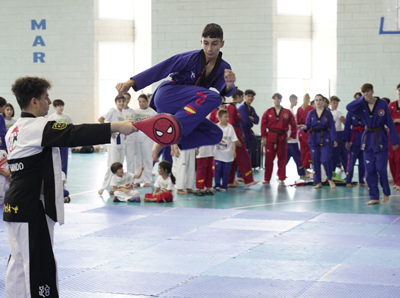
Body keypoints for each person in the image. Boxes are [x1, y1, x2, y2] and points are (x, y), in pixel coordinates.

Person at [4, 76, 136, 298]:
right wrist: (116, 126)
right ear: (34, 101)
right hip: (32, 205)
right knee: (39, 263)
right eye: (46, 98)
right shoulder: (38, 126)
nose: (49, 102)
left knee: (18, 262)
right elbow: (75, 133)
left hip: (14, 204)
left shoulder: (14, 130)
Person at [115, 23, 236, 161]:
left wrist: (230, 84)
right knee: (213, 97)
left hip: (185, 108)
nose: (209, 48)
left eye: (214, 44)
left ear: (222, 44)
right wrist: (131, 82)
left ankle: (172, 137)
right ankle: (170, 129)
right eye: (206, 43)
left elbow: (226, 91)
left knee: (215, 134)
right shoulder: (190, 58)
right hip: (168, 95)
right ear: (201, 42)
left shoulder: (224, 68)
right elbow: (163, 68)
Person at [346, 83, 400, 204]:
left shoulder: (382, 104)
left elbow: (390, 123)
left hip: (380, 137)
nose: (366, 94)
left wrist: (394, 141)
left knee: (381, 168)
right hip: (367, 139)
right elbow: (349, 107)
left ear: (372, 91)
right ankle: (374, 197)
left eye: (368, 92)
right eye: (364, 92)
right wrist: (361, 99)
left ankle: (386, 191)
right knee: (369, 170)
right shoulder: (361, 104)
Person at [299, 94, 338, 189]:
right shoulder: (311, 113)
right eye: (316, 100)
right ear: (314, 102)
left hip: (325, 137)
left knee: (325, 159)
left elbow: (332, 126)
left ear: (324, 101)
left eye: (320, 100)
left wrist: (334, 139)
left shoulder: (328, 113)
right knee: (315, 161)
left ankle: (330, 179)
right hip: (313, 138)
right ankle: (318, 181)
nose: (318, 102)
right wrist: (305, 127)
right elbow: (308, 124)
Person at [261, 93, 297, 184]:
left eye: (278, 99)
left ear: (281, 100)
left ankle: (281, 178)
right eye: (275, 99)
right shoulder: (268, 111)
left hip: (282, 137)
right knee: (268, 159)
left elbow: (293, 124)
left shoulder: (287, 112)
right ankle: (267, 178)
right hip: (270, 137)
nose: (276, 100)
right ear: (273, 100)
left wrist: (292, 136)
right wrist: (263, 138)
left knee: (282, 159)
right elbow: (263, 125)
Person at [226, 89, 257, 187]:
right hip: (235, 136)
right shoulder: (231, 108)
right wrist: (235, 140)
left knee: (233, 159)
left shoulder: (233, 108)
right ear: (238, 97)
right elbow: (230, 124)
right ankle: (249, 180)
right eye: (242, 96)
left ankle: (229, 181)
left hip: (238, 134)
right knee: (245, 157)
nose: (243, 98)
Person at [98, 96, 127, 196]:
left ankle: (113, 187)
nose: (121, 103)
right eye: (119, 101)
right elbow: (100, 119)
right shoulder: (112, 111)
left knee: (119, 166)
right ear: (116, 102)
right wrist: (109, 132)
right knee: (112, 165)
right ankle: (103, 187)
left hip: (121, 142)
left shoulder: (124, 114)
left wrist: (125, 134)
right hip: (113, 143)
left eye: (123, 101)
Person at [133, 94, 157, 187]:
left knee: (147, 158)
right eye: (140, 101)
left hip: (148, 137)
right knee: (137, 159)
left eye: (143, 101)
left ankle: (147, 180)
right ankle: (137, 180)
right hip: (136, 137)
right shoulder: (134, 112)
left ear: (147, 102)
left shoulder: (152, 112)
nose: (141, 103)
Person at [344, 95, 366, 187]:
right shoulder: (350, 112)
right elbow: (347, 127)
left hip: (364, 137)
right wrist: (346, 140)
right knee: (351, 161)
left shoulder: (366, 111)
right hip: (354, 138)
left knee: (363, 161)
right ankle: (348, 180)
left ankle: (361, 180)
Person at [48, 99, 73, 176]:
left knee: (64, 161)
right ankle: (55, 176)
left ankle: (63, 178)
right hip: (55, 142)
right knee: (55, 159)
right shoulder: (51, 117)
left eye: (62, 106)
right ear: (54, 107)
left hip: (64, 141)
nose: (61, 107)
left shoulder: (67, 117)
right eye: (59, 106)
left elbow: (71, 127)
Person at [214, 109, 238, 191]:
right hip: (217, 154)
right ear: (219, 118)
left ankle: (224, 185)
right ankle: (217, 184)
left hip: (227, 155)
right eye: (225, 117)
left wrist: (234, 151)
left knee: (226, 171)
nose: (227, 118)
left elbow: (233, 140)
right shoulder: (216, 127)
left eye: (228, 117)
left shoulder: (230, 127)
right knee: (217, 170)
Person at [286, 94, 307, 179]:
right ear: (292, 100)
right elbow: (288, 125)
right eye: (296, 100)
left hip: (292, 139)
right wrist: (297, 126)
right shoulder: (288, 111)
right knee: (298, 157)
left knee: (286, 158)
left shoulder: (292, 111)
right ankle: (302, 173)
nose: (297, 102)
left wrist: (297, 125)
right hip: (291, 139)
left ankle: (279, 172)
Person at [238, 89, 259, 167]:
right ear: (245, 97)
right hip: (242, 132)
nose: (250, 98)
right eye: (248, 96)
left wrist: (252, 118)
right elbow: (246, 120)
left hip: (248, 132)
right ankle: (241, 175)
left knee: (248, 153)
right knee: (244, 154)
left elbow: (257, 120)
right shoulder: (242, 108)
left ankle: (246, 173)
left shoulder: (252, 109)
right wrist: (251, 119)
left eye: (252, 96)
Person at [296, 94, 314, 174]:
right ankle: (306, 167)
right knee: (308, 150)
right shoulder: (311, 109)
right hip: (307, 130)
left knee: (302, 150)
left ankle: (304, 168)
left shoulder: (299, 109)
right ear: (309, 99)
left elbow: (296, 120)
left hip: (300, 131)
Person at [330, 96, 347, 171]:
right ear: (330, 103)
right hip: (332, 134)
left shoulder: (338, 112)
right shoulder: (329, 112)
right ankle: (331, 172)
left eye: (337, 103)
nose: (335, 104)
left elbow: (345, 122)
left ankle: (348, 172)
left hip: (339, 134)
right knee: (333, 155)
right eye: (334, 103)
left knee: (341, 154)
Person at [388, 84, 400, 190]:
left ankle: (399, 182)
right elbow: (386, 120)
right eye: (399, 90)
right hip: (391, 135)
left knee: (399, 159)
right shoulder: (391, 105)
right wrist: (395, 120)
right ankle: (396, 181)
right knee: (391, 159)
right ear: (396, 91)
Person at [121, 92, 136, 174]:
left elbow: (134, 124)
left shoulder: (132, 111)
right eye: (124, 98)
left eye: (127, 98)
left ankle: (131, 179)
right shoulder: (119, 111)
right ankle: (120, 179)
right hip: (121, 140)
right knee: (120, 160)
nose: (126, 100)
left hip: (130, 139)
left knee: (130, 159)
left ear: (129, 100)